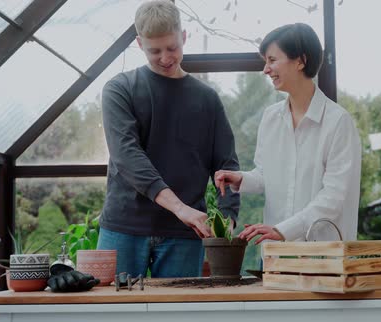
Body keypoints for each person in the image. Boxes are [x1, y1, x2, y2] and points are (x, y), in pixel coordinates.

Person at [99, 0, 239, 278]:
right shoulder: (119, 89)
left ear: (184, 36)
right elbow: (127, 157)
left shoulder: (207, 99)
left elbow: (226, 165)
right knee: (112, 320)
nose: (165, 57)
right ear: (140, 44)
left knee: (179, 321)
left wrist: (228, 217)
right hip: (124, 227)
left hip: (184, 235)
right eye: (155, 50)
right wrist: (180, 209)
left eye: (172, 47)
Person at [214, 23, 361, 244]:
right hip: (277, 253)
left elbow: (334, 197)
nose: (265, 69)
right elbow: (265, 174)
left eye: (272, 60)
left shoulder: (338, 122)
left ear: (300, 61)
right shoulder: (271, 118)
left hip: (322, 255)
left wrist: (285, 230)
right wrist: (241, 179)